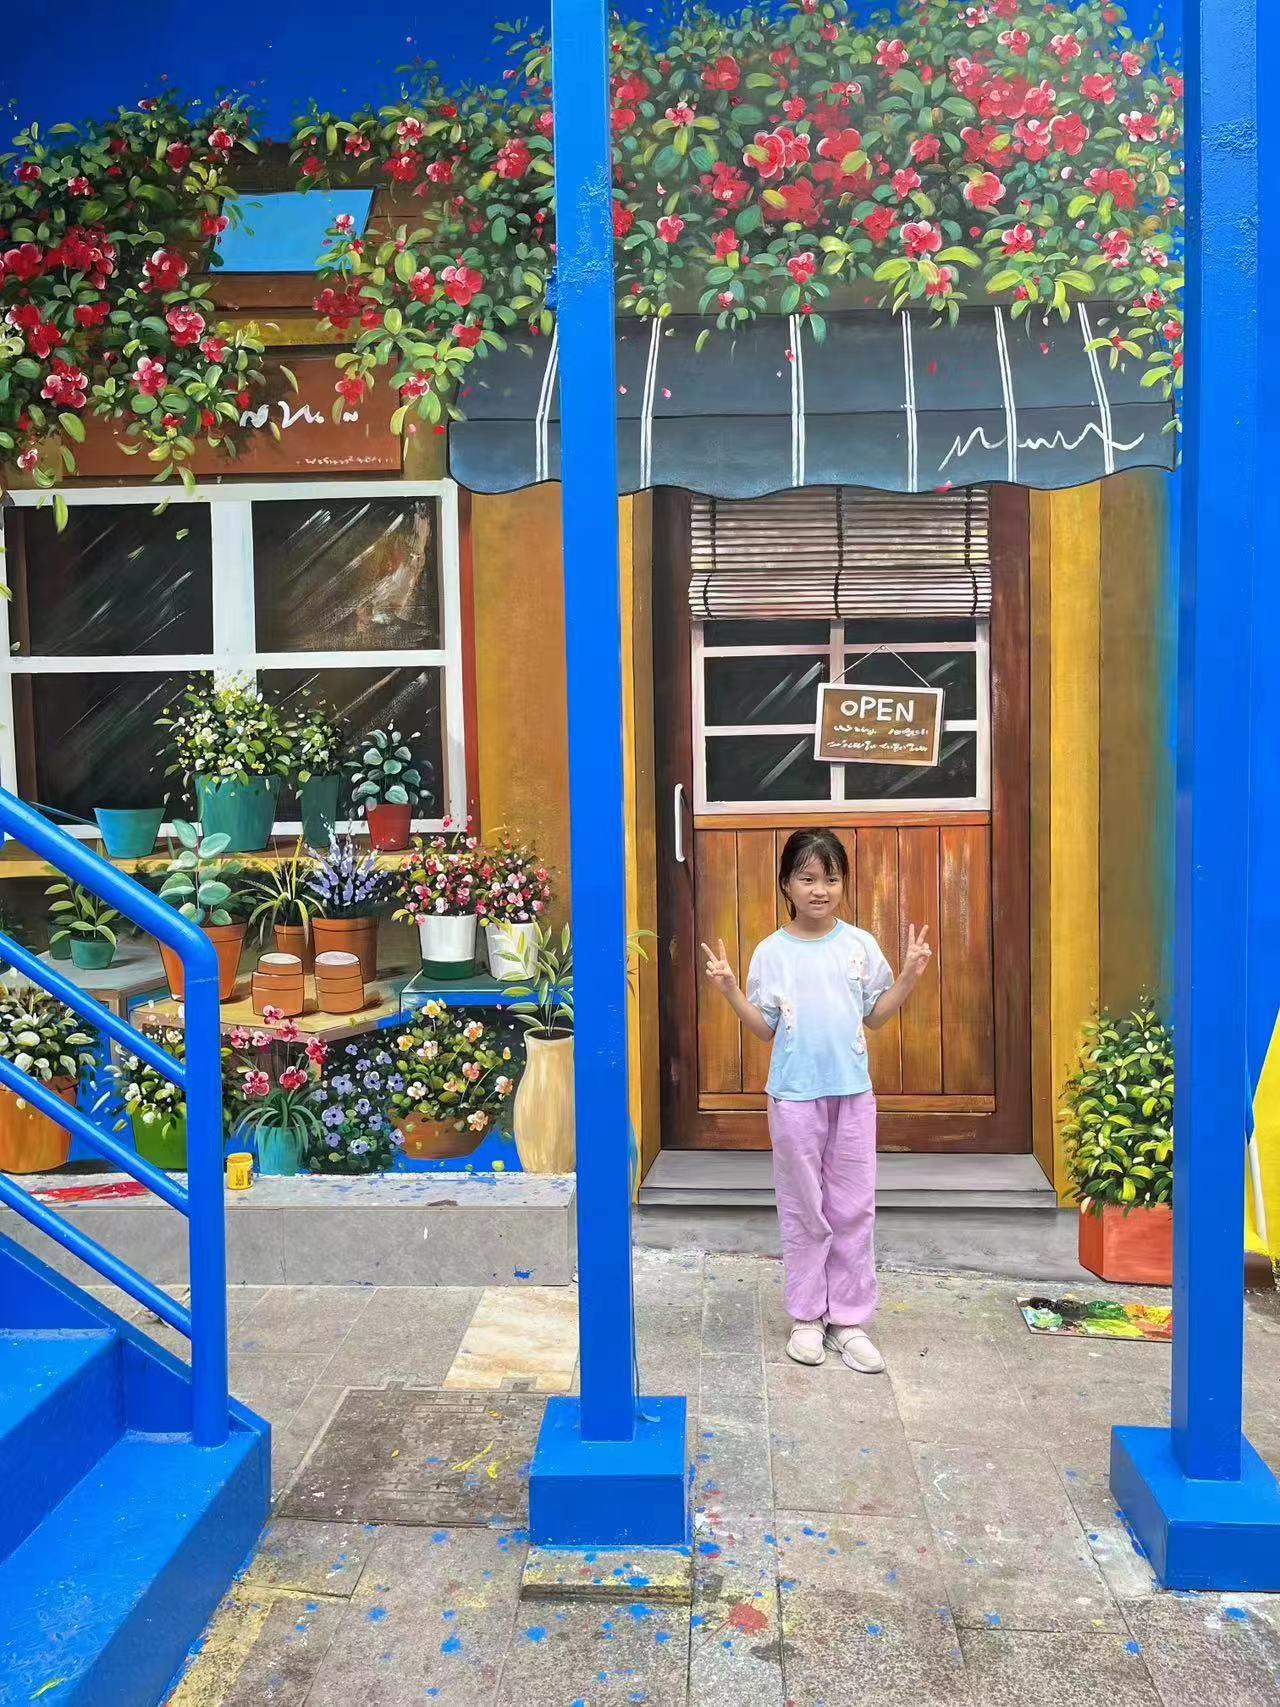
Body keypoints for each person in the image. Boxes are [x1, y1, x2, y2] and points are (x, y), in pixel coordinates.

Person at [701, 827, 933, 1373]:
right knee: (804, 1207)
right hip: (794, 1098)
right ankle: (807, 1316)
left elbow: (876, 1016)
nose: (820, 890)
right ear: (786, 884)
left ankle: (848, 1320)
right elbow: (764, 1029)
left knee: (853, 1207)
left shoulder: (860, 945)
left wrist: (908, 977)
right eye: (807, 878)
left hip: (852, 1094)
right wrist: (730, 990)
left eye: (831, 878)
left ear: (843, 884)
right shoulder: (771, 952)